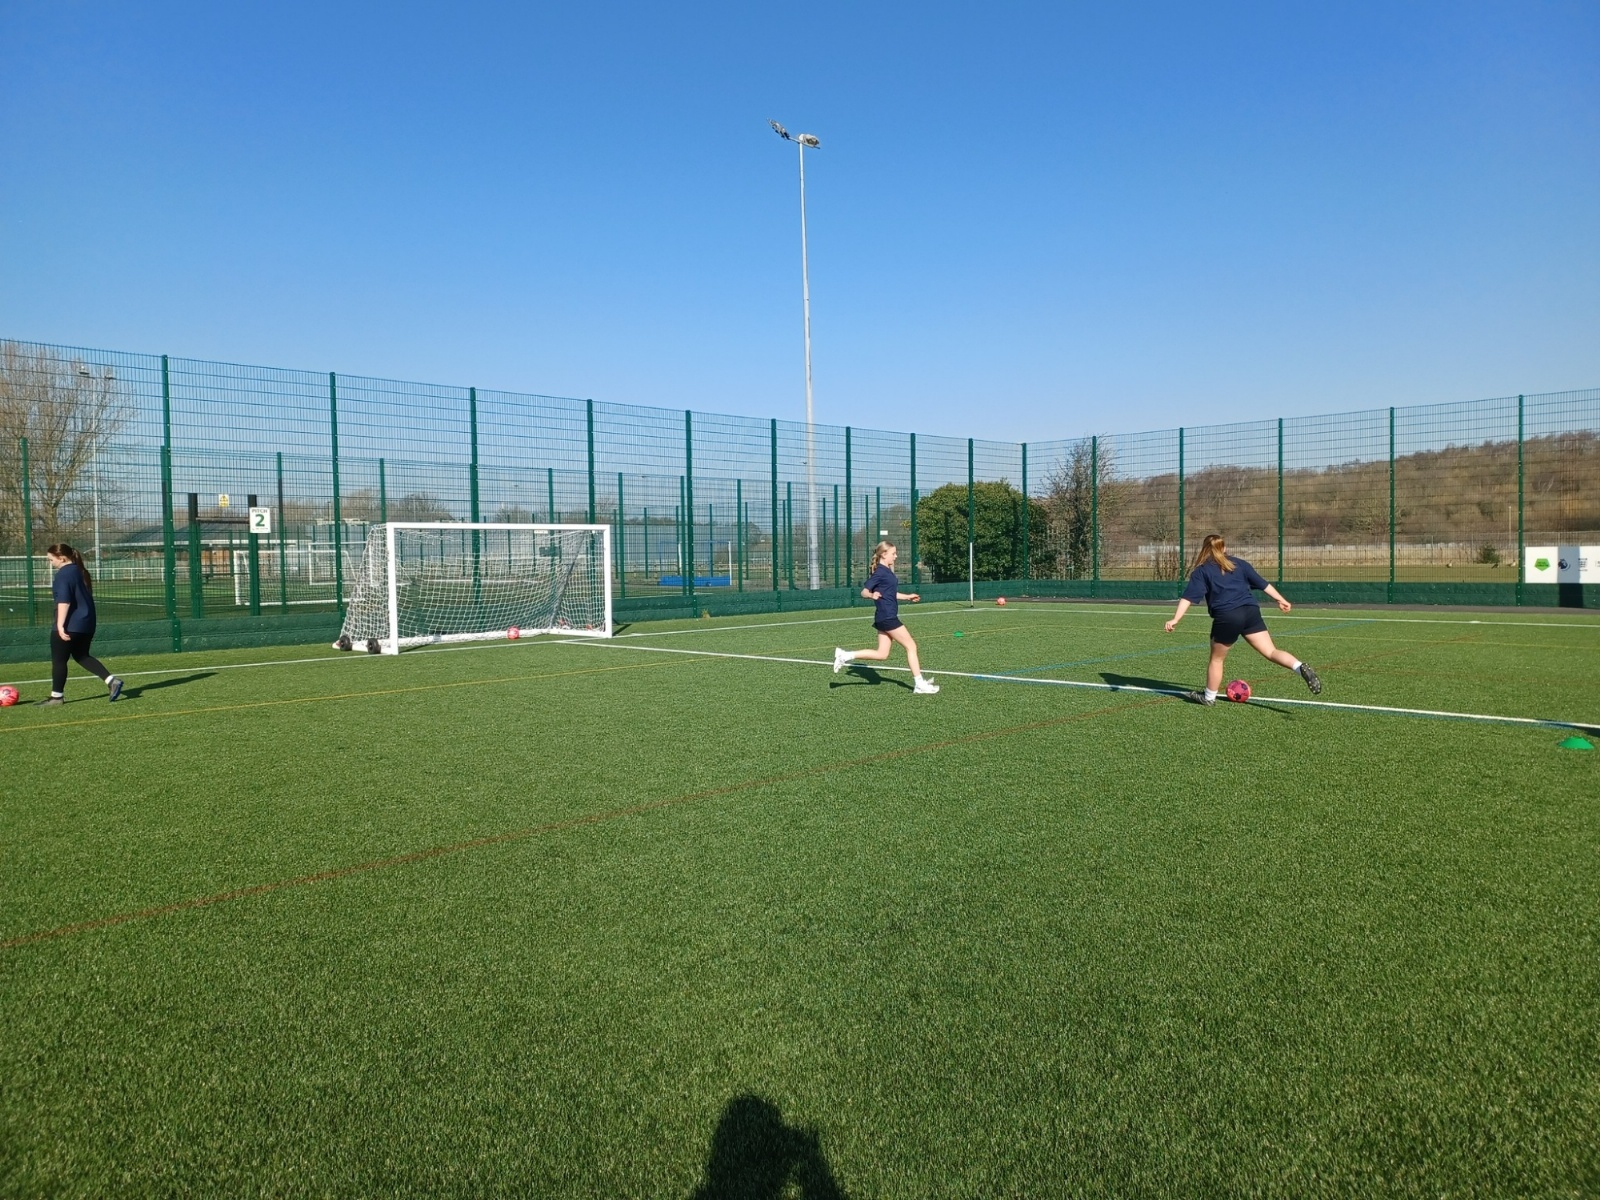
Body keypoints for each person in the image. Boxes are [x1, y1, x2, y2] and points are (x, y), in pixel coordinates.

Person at [1164, 533, 1320, 706]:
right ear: (1224, 548)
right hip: (1250, 611)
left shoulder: (1202, 571)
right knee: (1271, 651)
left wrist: (1175, 618)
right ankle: (1299, 666)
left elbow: (1188, 598)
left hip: (1228, 616)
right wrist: (1281, 599)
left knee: (1217, 659)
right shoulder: (1240, 564)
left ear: (1205, 550)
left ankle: (1208, 697)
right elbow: (1263, 584)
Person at [833, 541, 940, 695]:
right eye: (893, 553)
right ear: (884, 554)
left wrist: (907, 597)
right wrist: (871, 595)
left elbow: (890, 593)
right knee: (911, 646)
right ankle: (919, 684)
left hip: (883, 617)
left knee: (882, 654)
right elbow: (864, 592)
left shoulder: (886, 571)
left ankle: (845, 655)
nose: (896, 556)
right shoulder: (880, 572)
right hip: (888, 617)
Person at [42, 543, 122, 707]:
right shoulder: (80, 571)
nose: (50, 563)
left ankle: (56, 697)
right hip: (86, 624)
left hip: (70, 624)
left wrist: (60, 626)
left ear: (61, 558)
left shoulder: (64, 574)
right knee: (82, 655)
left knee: (59, 660)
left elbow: (64, 601)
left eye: (51, 559)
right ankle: (111, 681)